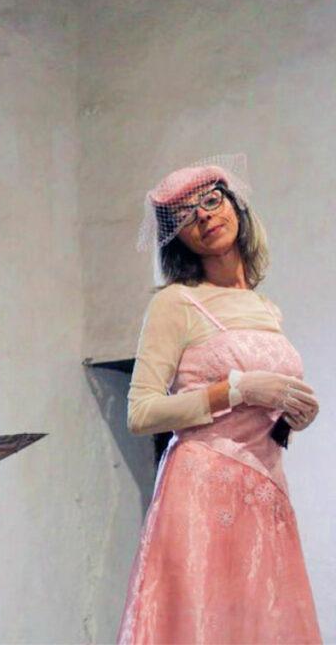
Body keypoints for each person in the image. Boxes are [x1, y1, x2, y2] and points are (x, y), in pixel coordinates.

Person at [117, 155, 322, 644]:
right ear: (178, 237)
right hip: (202, 487)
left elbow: (259, 413)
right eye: (186, 215)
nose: (205, 217)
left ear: (235, 205)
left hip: (265, 487)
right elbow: (140, 412)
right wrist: (236, 389)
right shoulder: (175, 303)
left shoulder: (266, 308)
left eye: (211, 201)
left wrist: (291, 416)